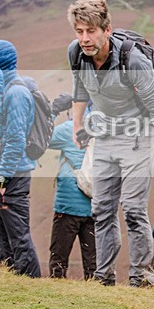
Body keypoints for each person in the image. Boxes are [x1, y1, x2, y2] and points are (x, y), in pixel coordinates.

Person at [67, 0, 154, 287]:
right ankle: (103, 276)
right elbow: (79, 89)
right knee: (101, 208)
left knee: (133, 208)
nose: (85, 39)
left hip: (139, 137)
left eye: (91, 31)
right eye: (79, 31)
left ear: (107, 29)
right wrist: (78, 125)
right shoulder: (76, 53)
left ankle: (140, 276)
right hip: (104, 136)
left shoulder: (132, 59)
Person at [0, 41, 41, 278]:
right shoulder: (1, 90)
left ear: (0, 61)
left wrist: (4, 177)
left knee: (18, 235)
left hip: (12, 175)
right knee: (1, 233)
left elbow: (15, 138)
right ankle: (9, 278)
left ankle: (30, 284)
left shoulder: (16, 92)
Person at [47, 93, 96, 279]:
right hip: (95, 205)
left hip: (67, 206)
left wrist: (53, 112)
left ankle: (57, 296)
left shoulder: (69, 129)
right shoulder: (102, 130)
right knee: (94, 263)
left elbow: (42, 138)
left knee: (59, 259)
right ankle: (98, 298)